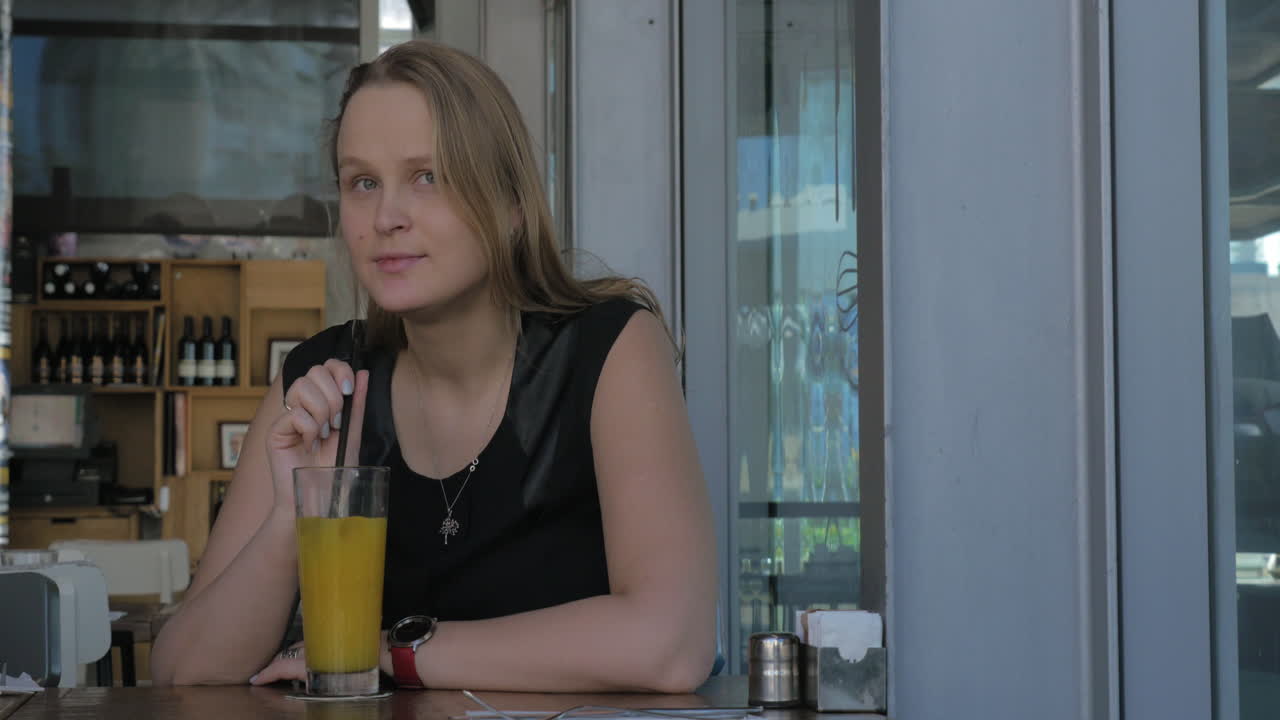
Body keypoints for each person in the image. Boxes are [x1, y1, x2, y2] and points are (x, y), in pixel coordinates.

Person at [150, 40, 716, 693]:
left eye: (428, 176)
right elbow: (182, 670)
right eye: (363, 183)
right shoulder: (324, 378)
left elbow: (671, 643)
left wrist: (395, 651)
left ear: (509, 207)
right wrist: (292, 515)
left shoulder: (608, 349)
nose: (386, 217)